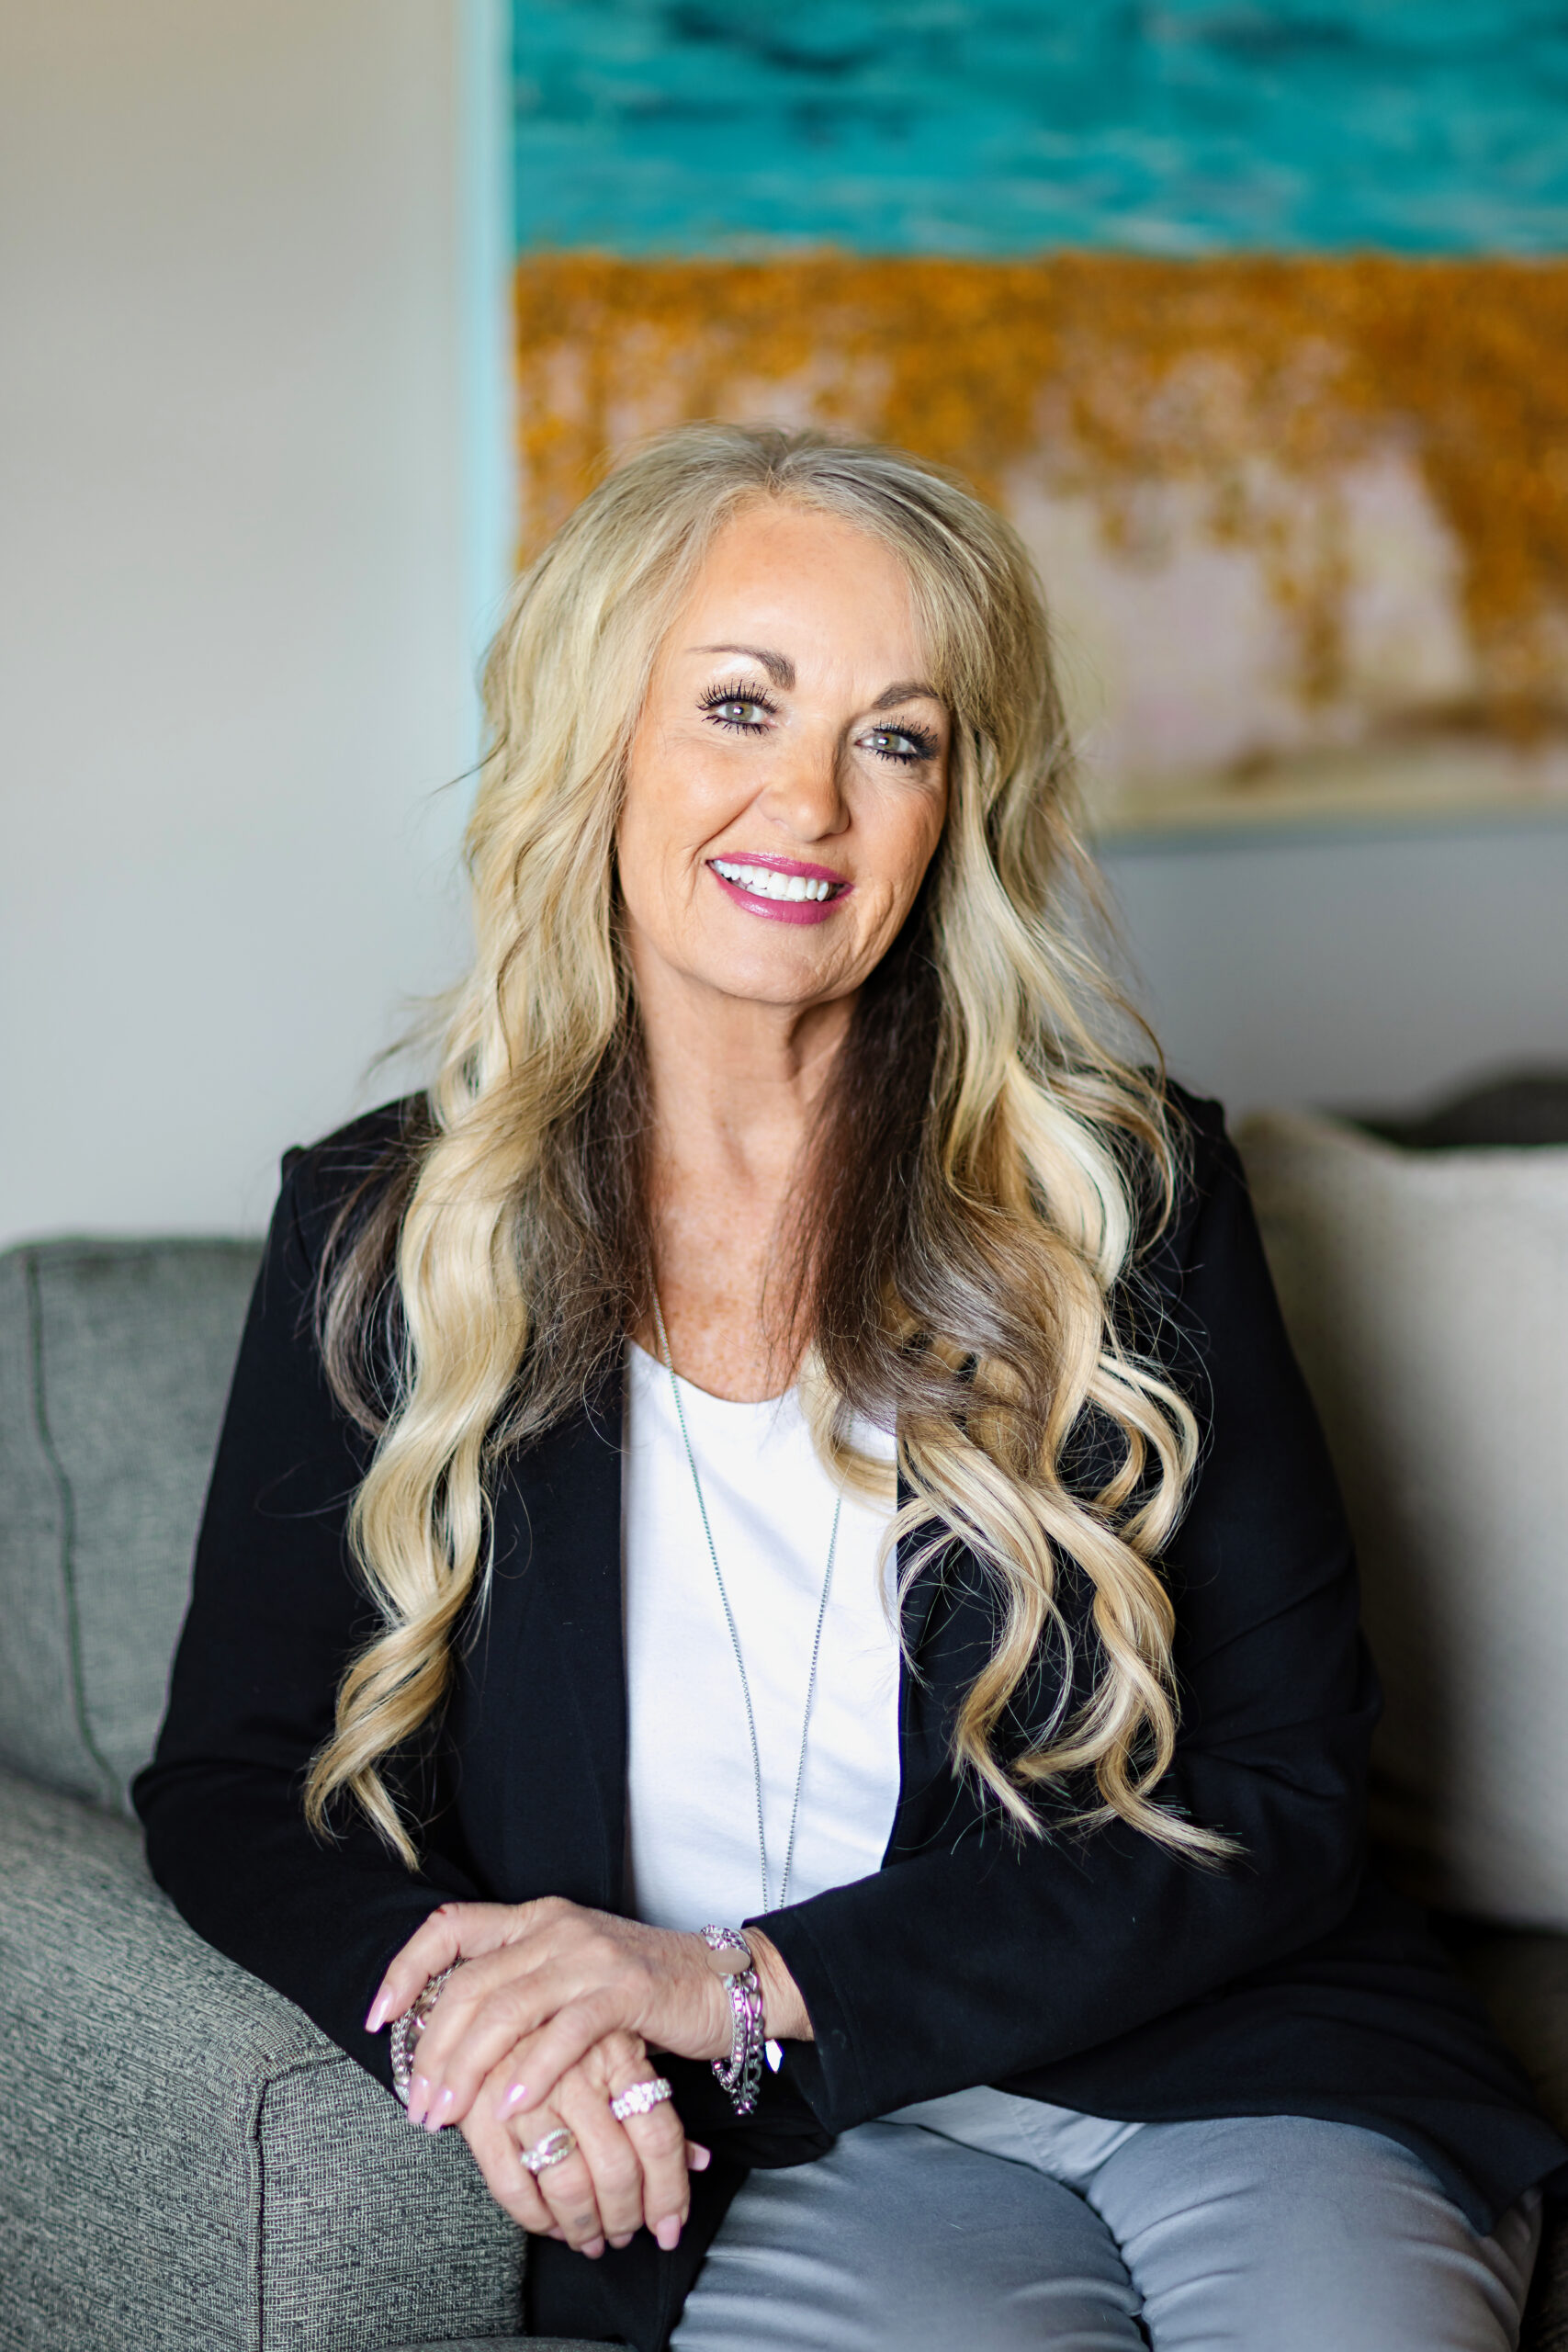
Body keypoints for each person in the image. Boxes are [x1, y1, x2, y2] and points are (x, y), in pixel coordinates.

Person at [137, 424, 1564, 2352]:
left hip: (1219, 2052)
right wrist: (477, 2009)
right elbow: (234, 1780)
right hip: (782, 2137)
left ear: (952, 806)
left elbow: (1279, 1787)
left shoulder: (1121, 1191)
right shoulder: (387, 1231)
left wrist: (735, 1980)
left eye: (895, 737)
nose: (807, 801)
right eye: (740, 705)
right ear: (600, 742)